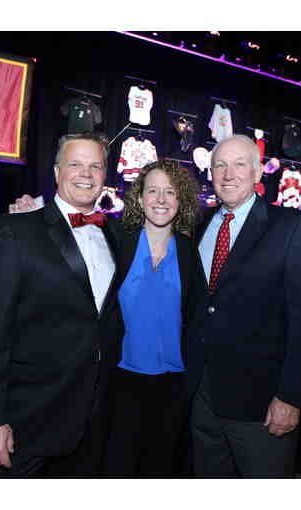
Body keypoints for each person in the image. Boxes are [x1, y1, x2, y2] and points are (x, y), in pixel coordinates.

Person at [0, 132, 124, 478]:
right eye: (75, 164)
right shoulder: (16, 232)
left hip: (93, 420)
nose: (86, 173)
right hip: (27, 420)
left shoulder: (115, 234)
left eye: (95, 165)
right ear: (55, 172)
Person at [183, 134, 301, 478]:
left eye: (239, 164)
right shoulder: (198, 225)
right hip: (200, 397)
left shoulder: (291, 227)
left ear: (257, 172)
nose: (228, 174)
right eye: (220, 165)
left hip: (262, 404)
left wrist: (292, 396)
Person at [102, 160, 203, 477]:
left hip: (173, 384)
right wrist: (30, 210)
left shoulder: (189, 251)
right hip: (121, 381)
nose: (161, 199)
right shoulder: (118, 239)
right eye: (153, 191)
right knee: (118, 469)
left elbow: (196, 318)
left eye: (170, 192)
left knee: (160, 469)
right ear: (139, 197)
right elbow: (73, 226)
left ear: (180, 200)